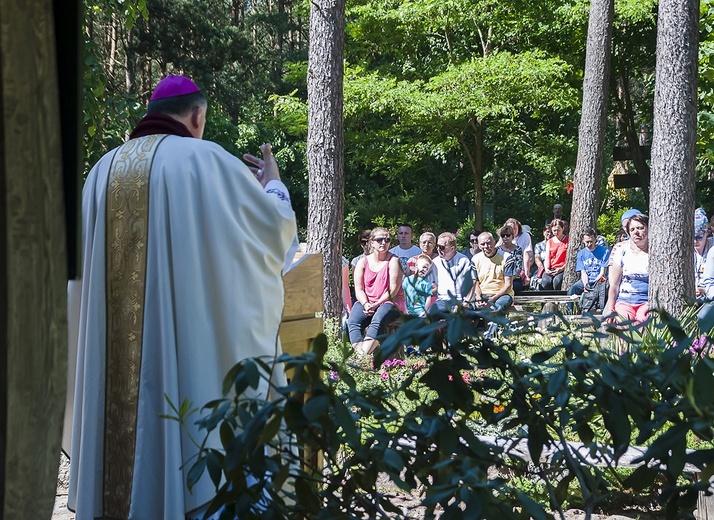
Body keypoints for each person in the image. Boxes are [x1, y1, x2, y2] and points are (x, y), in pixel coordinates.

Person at [66, 76, 297, 519]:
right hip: (185, 369)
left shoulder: (99, 173)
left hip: (113, 371)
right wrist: (272, 184)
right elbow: (273, 236)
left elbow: (77, 284)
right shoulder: (206, 161)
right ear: (197, 116)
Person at [349, 227, 406, 354]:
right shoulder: (361, 262)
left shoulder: (394, 261)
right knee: (353, 321)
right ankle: (361, 354)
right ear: (372, 242)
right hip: (367, 302)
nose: (383, 243)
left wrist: (376, 304)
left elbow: (393, 291)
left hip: (389, 304)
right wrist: (365, 303)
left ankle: (362, 356)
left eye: (387, 240)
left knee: (378, 320)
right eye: (380, 239)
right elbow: (359, 290)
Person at [465, 232, 516, 338]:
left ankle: (491, 339)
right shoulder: (475, 259)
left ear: (494, 242)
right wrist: (478, 298)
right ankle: (466, 339)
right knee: (465, 309)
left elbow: (508, 285)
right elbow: (475, 283)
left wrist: (491, 300)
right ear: (478, 245)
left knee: (496, 308)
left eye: (489, 243)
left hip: (502, 294)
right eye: (482, 244)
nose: (486, 247)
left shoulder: (507, 257)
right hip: (482, 293)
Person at [604, 214, 650, 323]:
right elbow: (614, 285)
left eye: (640, 228)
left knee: (643, 321)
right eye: (632, 229)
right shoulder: (622, 251)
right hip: (624, 301)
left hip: (647, 301)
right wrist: (611, 308)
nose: (636, 232)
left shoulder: (655, 252)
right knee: (623, 323)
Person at [566, 228, 610, 312]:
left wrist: (593, 285)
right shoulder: (581, 254)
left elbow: (602, 272)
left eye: (591, 241)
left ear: (595, 240)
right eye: (587, 242)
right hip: (586, 280)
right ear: (583, 240)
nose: (589, 244)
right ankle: (570, 314)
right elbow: (583, 272)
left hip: (600, 280)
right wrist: (586, 285)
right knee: (572, 290)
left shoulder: (604, 251)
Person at [432, 232, 473, 311]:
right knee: (430, 316)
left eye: (441, 247)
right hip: (442, 299)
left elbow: (472, 283)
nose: (438, 249)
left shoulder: (463, 261)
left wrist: (466, 302)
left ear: (452, 249)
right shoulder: (435, 262)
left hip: (460, 299)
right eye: (437, 246)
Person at [496, 224, 525, 293]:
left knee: (514, 286)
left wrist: (509, 280)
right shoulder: (497, 250)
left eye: (508, 235)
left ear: (512, 236)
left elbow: (518, 268)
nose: (505, 237)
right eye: (503, 235)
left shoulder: (518, 249)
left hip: (514, 279)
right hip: (499, 279)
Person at [542, 218, 569, 290]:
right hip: (552, 268)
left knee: (557, 282)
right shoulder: (549, 241)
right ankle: (548, 301)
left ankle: (558, 300)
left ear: (563, 228)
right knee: (546, 282)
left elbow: (569, 259)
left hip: (562, 268)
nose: (556, 232)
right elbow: (547, 257)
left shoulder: (568, 240)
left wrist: (561, 269)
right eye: (554, 230)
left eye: (558, 230)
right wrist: (547, 269)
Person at [694, 208, 713, 298]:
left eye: (699, 237)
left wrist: (705, 290)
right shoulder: (685, 251)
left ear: (707, 233)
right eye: (691, 237)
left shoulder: (712, 249)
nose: (694, 241)